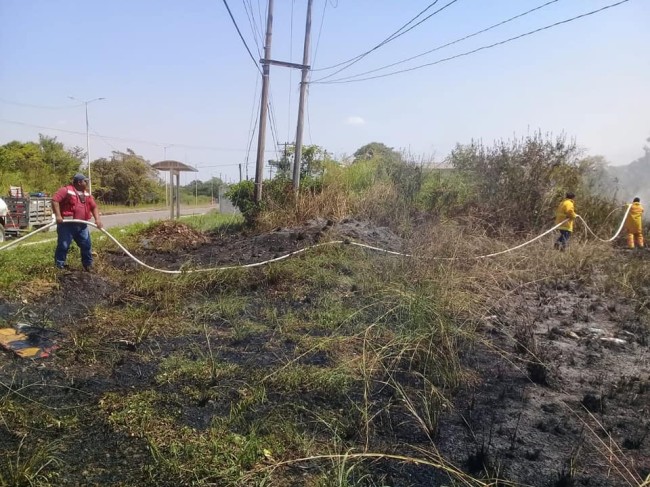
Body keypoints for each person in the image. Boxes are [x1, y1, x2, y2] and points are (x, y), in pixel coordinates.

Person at [52, 173, 103, 271]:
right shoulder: (66, 190)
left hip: (82, 225)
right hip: (67, 225)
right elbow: (55, 200)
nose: (87, 183)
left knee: (86, 245)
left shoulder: (87, 194)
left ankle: (88, 265)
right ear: (79, 182)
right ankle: (59, 266)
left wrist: (98, 219)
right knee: (63, 245)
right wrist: (58, 215)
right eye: (85, 181)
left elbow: (94, 207)